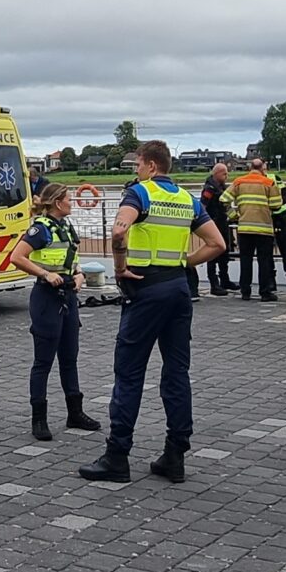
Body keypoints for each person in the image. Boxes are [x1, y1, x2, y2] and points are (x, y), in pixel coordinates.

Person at [82, 141, 225, 485]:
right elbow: (218, 243)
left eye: (137, 165)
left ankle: (117, 456)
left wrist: (119, 267)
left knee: (129, 372)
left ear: (148, 165)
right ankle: (175, 455)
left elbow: (119, 231)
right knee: (177, 372)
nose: (135, 170)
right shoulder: (187, 200)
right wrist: (182, 263)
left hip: (145, 288)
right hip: (178, 289)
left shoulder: (139, 194)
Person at [5, 183, 100, 440]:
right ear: (58, 202)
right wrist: (46, 274)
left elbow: (71, 258)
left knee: (69, 358)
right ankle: (39, 419)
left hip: (68, 297)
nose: (72, 202)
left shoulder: (66, 228)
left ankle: (75, 412)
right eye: (69, 199)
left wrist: (79, 275)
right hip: (47, 298)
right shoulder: (40, 230)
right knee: (43, 362)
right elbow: (17, 257)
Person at [228, 156, 286, 300]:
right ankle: (265, 293)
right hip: (264, 229)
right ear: (262, 168)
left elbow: (223, 199)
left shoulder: (239, 182)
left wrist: (234, 215)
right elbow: (277, 204)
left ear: (250, 168)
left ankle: (245, 291)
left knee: (245, 261)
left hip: (244, 229)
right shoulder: (269, 182)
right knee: (264, 262)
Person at [196, 161, 236, 297]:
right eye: (224, 173)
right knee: (212, 255)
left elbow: (226, 206)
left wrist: (234, 217)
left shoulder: (221, 187)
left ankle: (225, 279)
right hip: (213, 223)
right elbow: (203, 207)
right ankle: (214, 284)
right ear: (217, 173)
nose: (227, 175)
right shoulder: (209, 189)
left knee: (224, 252)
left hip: (223, 223)